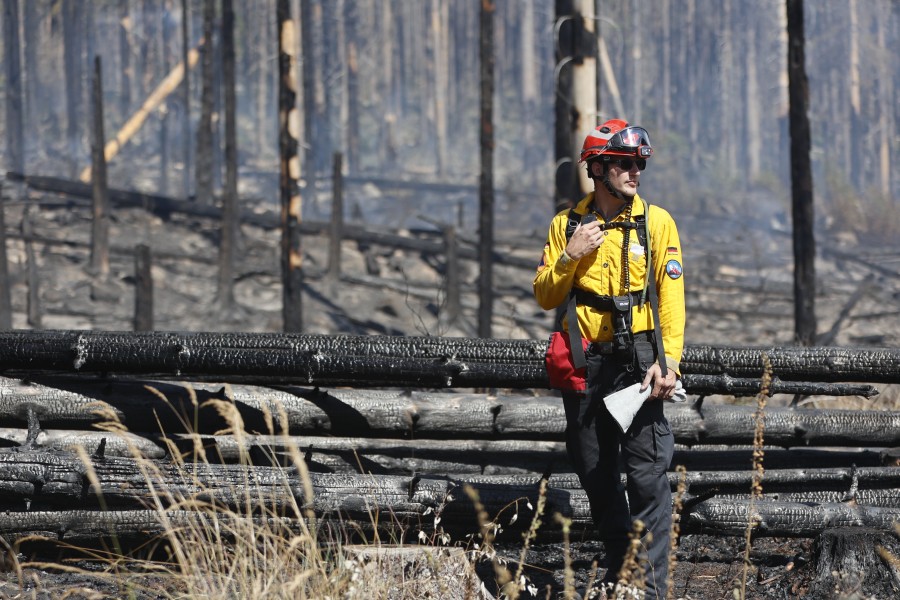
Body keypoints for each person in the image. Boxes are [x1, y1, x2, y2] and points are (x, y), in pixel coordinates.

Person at [533, 119, 685, 599]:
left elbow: (672, 300)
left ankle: (651, 590)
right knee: (596, 473)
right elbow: (544, 295)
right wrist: (570, 256)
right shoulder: (566, 225)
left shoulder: (657, 222)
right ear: (597, 168)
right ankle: (625, 576)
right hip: (586, 362)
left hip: (640, 362)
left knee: (647, 475)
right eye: (624, 163)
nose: (635, 171)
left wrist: (670, 362)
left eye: (639, 162)